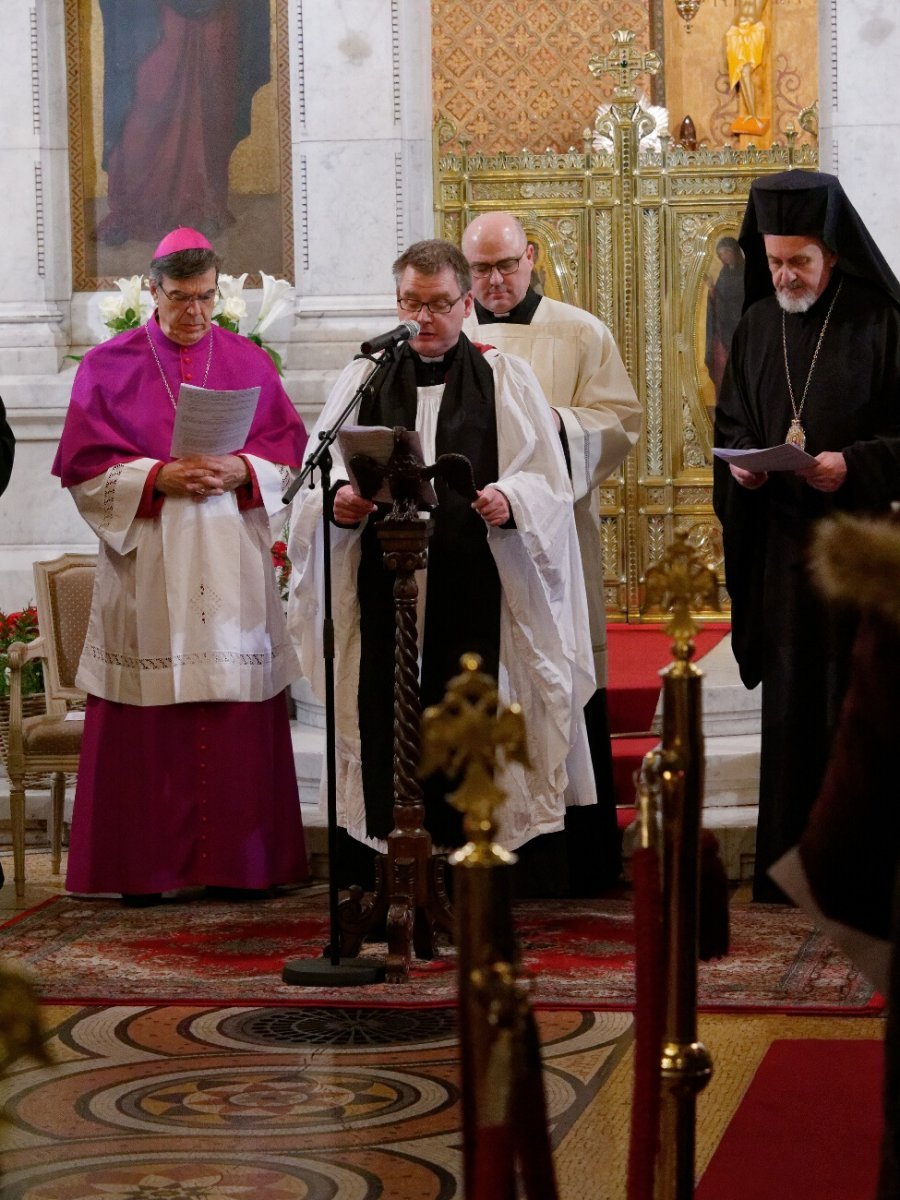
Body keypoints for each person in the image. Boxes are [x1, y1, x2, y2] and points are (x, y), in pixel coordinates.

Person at [288, 238, 596, 896]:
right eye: (410, 303)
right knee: (384, 705)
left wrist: (507, 498)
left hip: (473, 584)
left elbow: (547, 482)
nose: (424, 319)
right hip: (387, 582)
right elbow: (323, 474)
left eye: (438, 305)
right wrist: (340, 502)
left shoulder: (505, 378)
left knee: (472, 703)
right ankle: (394, 862)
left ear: (465, 304)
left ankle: (473, 866)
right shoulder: (363, 379)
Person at [53, 226, 309, 904]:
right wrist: (154, 479)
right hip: (150, 561)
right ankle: (143, 870)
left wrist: (242, 468)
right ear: (153, 291)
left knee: (235, 713)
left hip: (229, 561)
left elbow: (293, 463)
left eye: (205, 296)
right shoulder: (107, 366)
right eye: (180, 298)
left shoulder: (251, 363)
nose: (194, 312)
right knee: (147, 722)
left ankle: (244, 864)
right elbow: (81, 472)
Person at [713, 170, 900, 902]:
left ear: (832, 254)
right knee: (793, 712)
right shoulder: (758, 325)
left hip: (866, 556)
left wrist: (851, 464)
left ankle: (860, 874)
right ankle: (788, 873)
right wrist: (746, 473)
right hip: (786, 554)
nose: (785, 275)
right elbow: (732, 426)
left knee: (860, 706)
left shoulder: (881, 324)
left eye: (801, 262)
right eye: (775, 260)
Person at [461, 211, 642, 893]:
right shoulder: (454, 334)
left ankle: (575, 858)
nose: (495, 281)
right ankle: (486, 846)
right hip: (474, 535)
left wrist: (541, 427)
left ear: (531, 256)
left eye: (506, 264)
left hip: (554, 539)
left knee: (559, 673)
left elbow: (618, 420)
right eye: (480, 269)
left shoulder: (579, 331)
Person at [96, 2, 271, 245]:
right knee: (145, 105)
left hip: (218, 11)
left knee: (210, 103)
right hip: (151, 16)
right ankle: (133, 209)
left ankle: (205, 206)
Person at [704, 236, 745, 403]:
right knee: (720, 367)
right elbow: (719, 298)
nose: (724, 257)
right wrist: (713, 289)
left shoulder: (745, 272)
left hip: (738, 329)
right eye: (721, 255)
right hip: (722, 328)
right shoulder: (724, 272)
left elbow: (739, 298)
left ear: (734, 251)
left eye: (726, 253)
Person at [726, 0, 767, 129]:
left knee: (745, 73)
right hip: (737, 34)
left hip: (752, 33)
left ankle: (753, 114)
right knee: (742, 75)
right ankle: (751, 113)